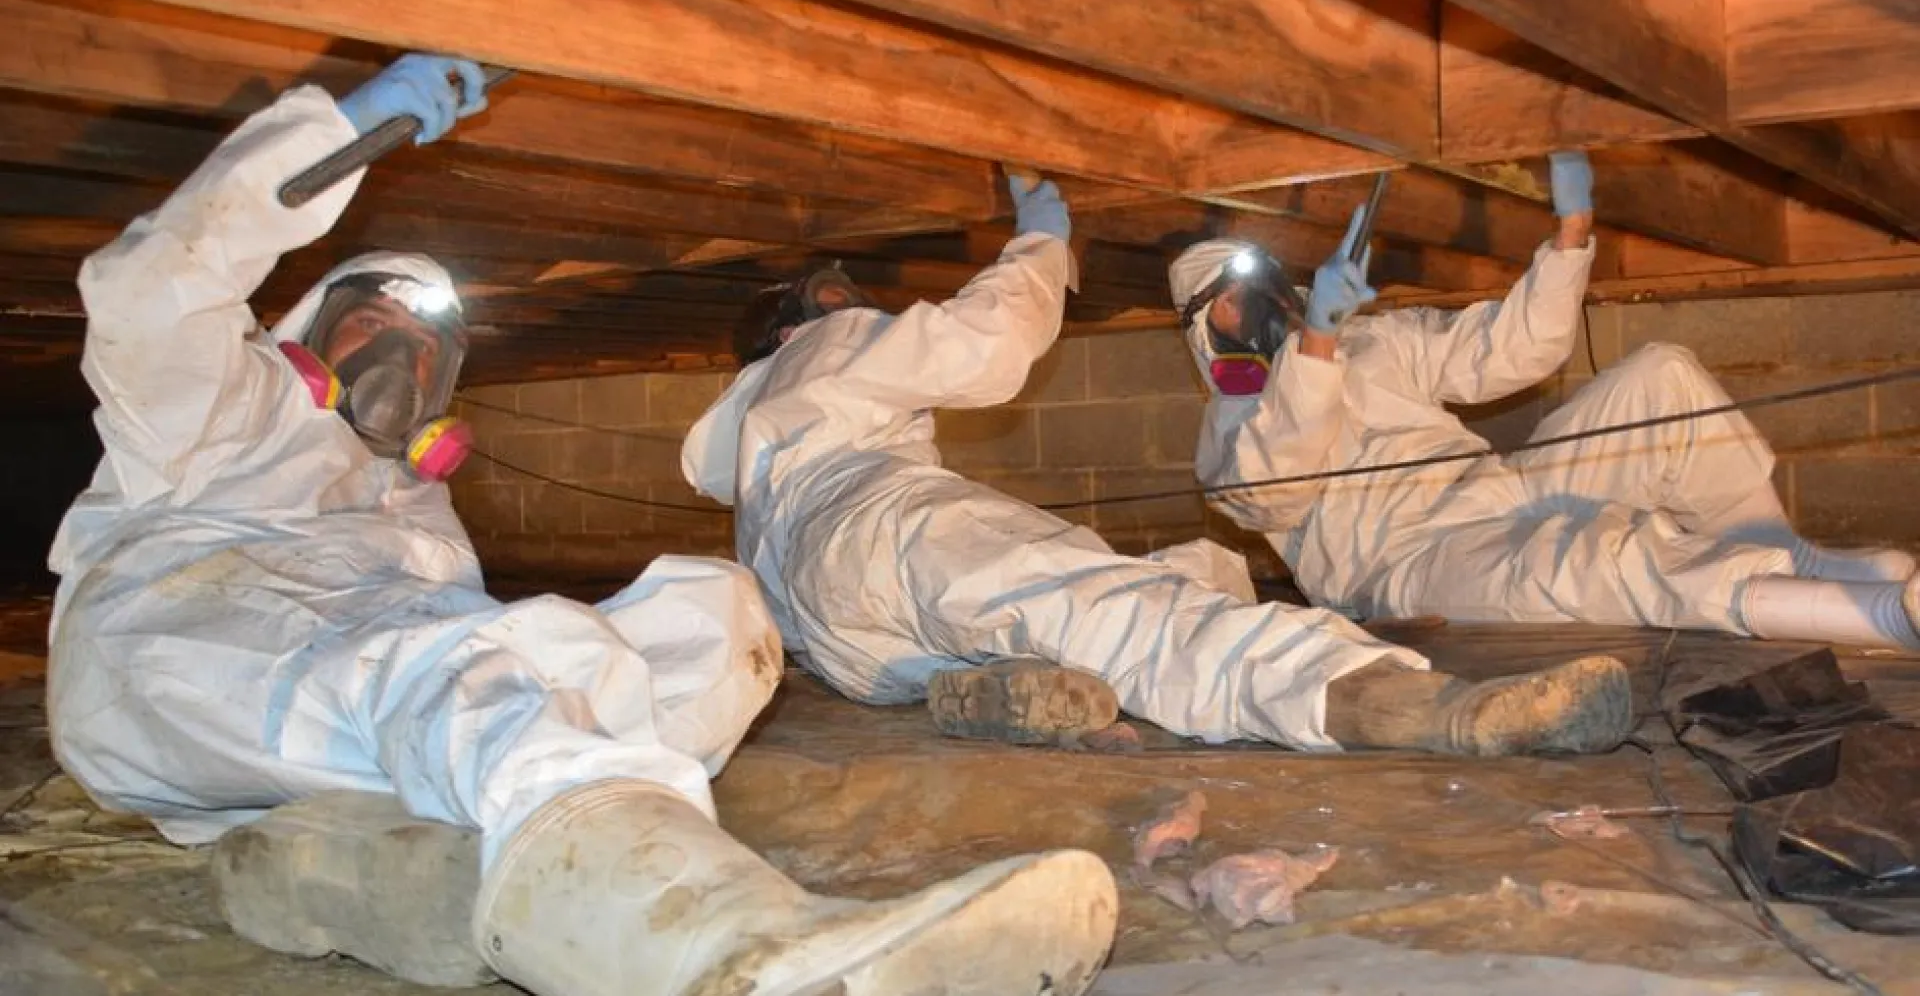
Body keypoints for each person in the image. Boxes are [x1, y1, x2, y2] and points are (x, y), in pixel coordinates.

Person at [46, 53, 1119, 996]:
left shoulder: (416, 505)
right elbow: (151, 285)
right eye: (375, 324)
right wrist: (349, 128)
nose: (400, 362)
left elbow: (467, 657)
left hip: (322, 713)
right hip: (175, 656)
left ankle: (377, 870)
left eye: (427, 353)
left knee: (716, 616)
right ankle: (738, 946)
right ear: (315, 327)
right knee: (479, 663)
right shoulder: (227, 407)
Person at [682, 171, 1635, 768]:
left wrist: (1565, 239)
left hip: (839, 644)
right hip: (878, 528)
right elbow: (983, 344)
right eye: (839, 294)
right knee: (1114, 606)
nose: (861, 305)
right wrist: (1043, 241)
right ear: (793, 324)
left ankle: (979, 691)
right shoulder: (826, 350)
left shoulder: (761, 457)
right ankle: (1393, 701)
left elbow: (1510, 348)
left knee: (1177, 575)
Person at [1169, 152, 1920, 649]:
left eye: (1258, 285)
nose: (1257, 304)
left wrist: (1569, 235)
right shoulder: (1227, 432)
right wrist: (1316, 346)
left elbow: (1512, 350)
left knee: (1662, 375)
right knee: (1590, 557)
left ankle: (1794, 555)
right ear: (1207, 330)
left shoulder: (1377, 342)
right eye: (1234, 301)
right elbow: (1282, 484)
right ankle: (1879, 618)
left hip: (1501, 492)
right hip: (1410, 568)